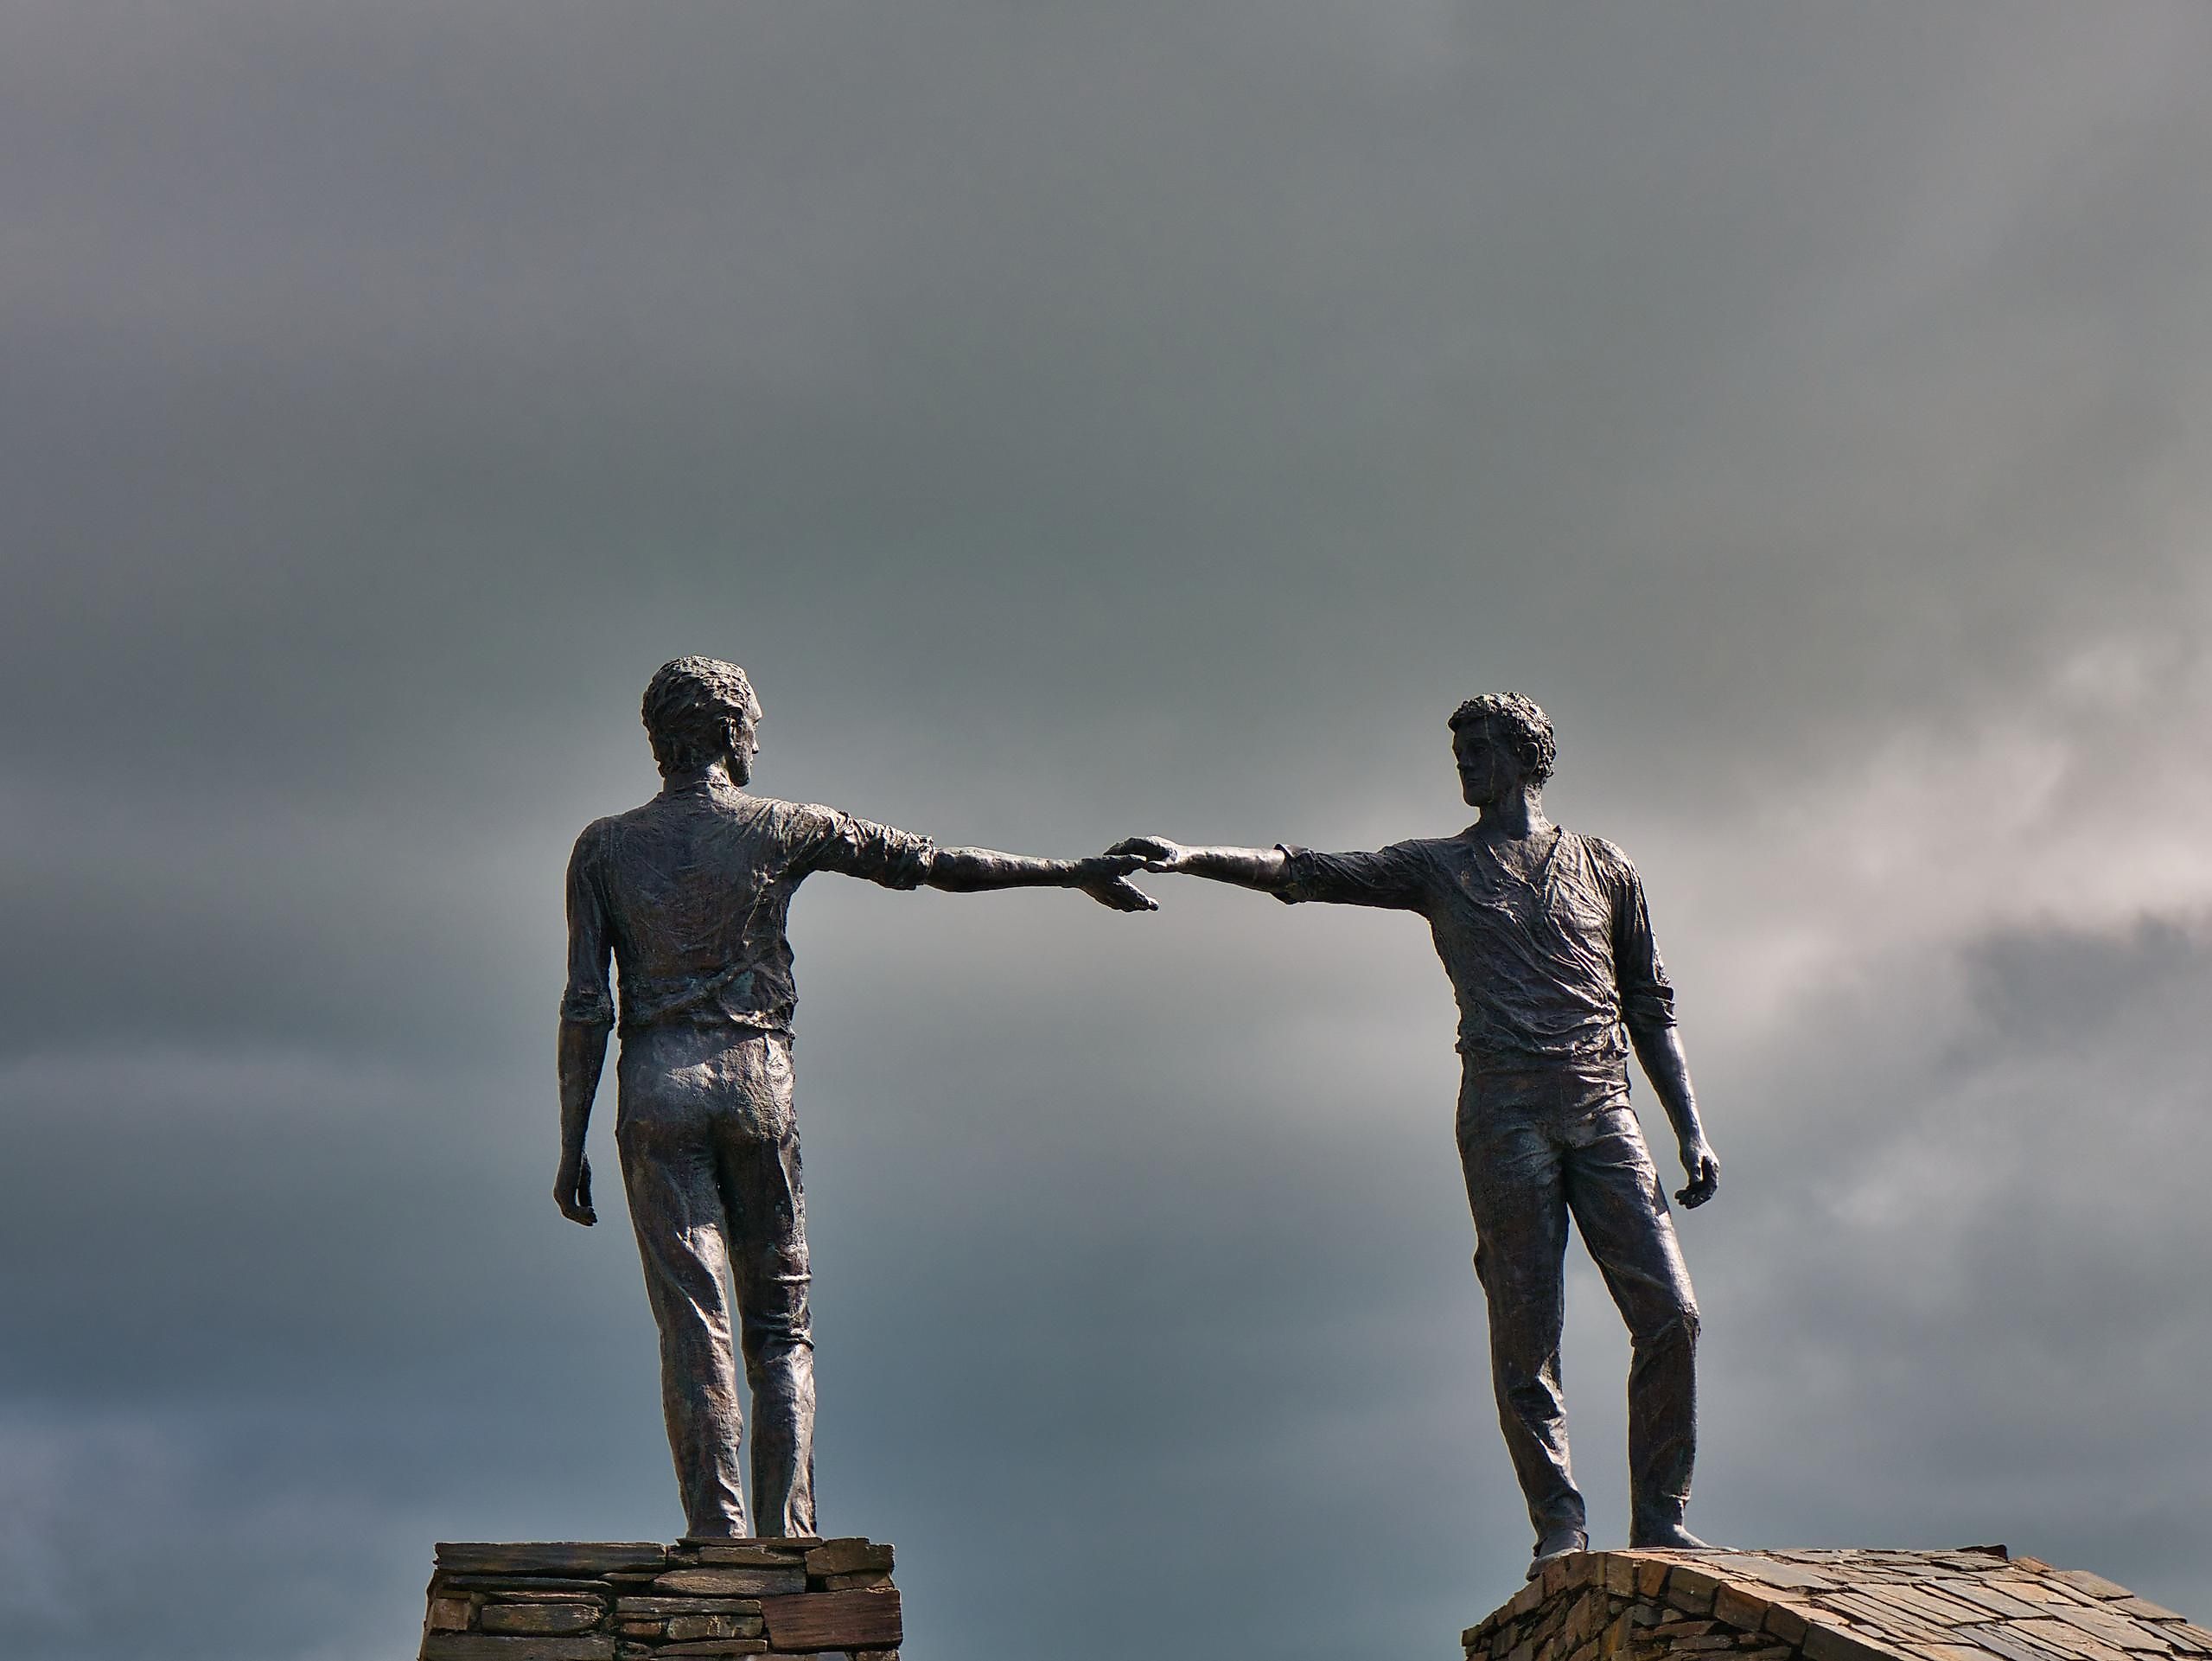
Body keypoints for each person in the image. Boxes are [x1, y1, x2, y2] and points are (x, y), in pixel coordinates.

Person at [1111, 693, 1717, 1577]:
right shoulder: (1439, 867)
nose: (1463, 764)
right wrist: (1195, 855)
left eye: (1477, 748)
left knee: (1672, 1312)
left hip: (1604, 1105)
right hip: (1505, 1116)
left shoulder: (1604, 865)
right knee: (1525, 1328)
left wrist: (1690, 1128)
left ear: (1523, 754)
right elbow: (1308, 870)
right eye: (1458, 750)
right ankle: (1560, 1521)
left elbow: (1650, 1004)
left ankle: (1661, 1516)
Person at [558, 655, 1154, 1539]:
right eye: (753, 723)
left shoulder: (602, 847)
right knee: (780, 1329)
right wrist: (1070, 870)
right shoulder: (783, 825)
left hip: (655, 1089)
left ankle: (718, 1534)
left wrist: (570, 1141)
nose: (758, 738)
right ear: (727, 732)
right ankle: (787, 1532)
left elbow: (585, 1004)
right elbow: (927, 860)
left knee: (694, 1326)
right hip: (757, 1080)